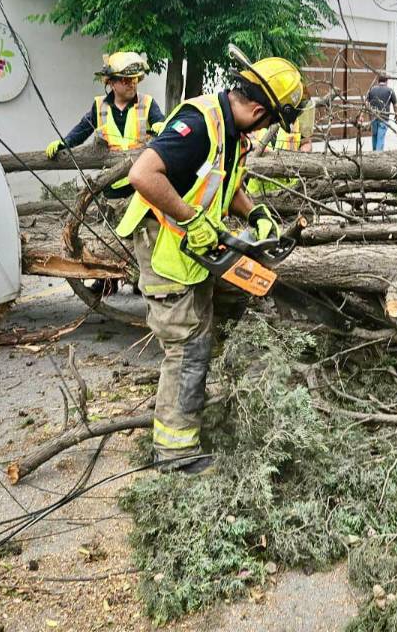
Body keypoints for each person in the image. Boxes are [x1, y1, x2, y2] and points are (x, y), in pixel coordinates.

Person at [115, 50, 308, 475]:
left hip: (190, 245)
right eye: (270, 122)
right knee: (187, 344)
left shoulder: (231, 132)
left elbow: (225, 183)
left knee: (212, 324)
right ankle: (175, 453)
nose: (267, 130)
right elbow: (142, 175)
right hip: (162, 241)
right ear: (259, 111)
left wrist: (254, 213)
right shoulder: (200, 123)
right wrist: (191, 219)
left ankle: (205, 410)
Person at [44, 51, 165, 199]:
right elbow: (81, 130)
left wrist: (161, 126)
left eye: (134, 80)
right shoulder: (99, 106)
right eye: (125, 80)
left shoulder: (148, 103)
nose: (132, 84)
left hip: (142, 179)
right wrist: (64, 143)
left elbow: (160, 122)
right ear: (112, 83)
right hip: (112, 182)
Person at [245, 98, 314, 194]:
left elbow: (306, 142)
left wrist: (303, 155)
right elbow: (242, 144)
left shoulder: (295, 116)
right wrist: (255, 147)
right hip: (257, 191)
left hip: (290, 191)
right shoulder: (255, 112)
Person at [364, 71, 397, 151]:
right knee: (380, 138)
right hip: (384, 118)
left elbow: (366, 103)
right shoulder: (390, 91)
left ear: (378, 80)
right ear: (386, 81)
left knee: (374, 136)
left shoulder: (372, 89)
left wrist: (365, 115)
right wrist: (396, 115)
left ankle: (374, 152)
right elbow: (395, 105)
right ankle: (378, 154)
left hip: (373, 116)